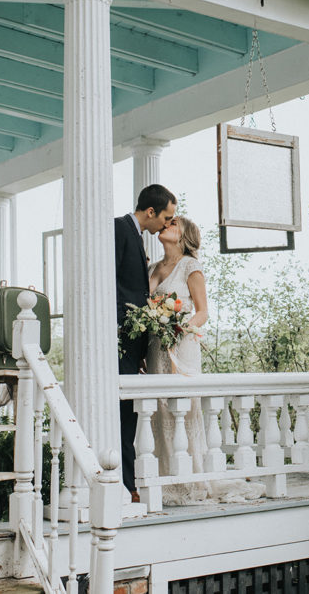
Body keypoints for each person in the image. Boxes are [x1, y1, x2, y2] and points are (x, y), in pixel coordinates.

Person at [146, 216, 264, 505]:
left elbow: (202, 312)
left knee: (183, 408)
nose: (165, 226)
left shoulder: (190, 266)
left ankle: (190, 480)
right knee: (159, 410)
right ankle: (163, 480)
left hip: (181, 344)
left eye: (172, 224)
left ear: (184, 235)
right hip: (154, 346)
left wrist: (178, 328)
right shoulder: (152, 267)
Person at [116, 184, 176, 501]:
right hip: (119, 341)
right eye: (166, 218)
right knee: (122, 414)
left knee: (129, 415)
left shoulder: (137, 236)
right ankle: (125, 485)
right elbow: (110, 283)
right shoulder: (118, 228)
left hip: (133, 344)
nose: (167, 225)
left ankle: (128, 482)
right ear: (150, 212)